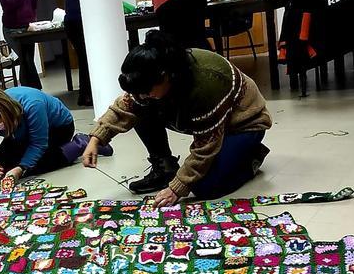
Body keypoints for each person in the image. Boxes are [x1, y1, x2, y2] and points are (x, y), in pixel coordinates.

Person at [82, 31, 271, 207]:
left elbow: (205, 148)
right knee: (140, 107)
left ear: (164, 77)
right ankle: (164, 167)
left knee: (204, 187)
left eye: (146, 91)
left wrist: (177, 188)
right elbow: (125, 106)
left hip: (243, 125)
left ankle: (251, 157)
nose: (141, 96)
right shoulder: (154, 75)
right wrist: (96, 140)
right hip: (209, 121)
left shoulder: (206, 85)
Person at [0, 87, 111, 181]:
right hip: (21, 132)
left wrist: (22, 168)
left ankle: (80, 144)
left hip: (58, 128)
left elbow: (38, 144)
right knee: (3, 162)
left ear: (7, 113)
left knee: (38, 164)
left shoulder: (33, 105)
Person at [0, 0, 42, 89]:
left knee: (28, 59)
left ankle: (31, 89)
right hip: (13, 29)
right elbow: (8, 6)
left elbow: (30, 7)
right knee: (25, 59)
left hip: (27, 27)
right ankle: (34, 89)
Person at [62, 0, 93, 106]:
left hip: (71, 21)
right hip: (80, 19)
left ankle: (85, 95)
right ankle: (87, 95)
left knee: (84, 59)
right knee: (88, 59)